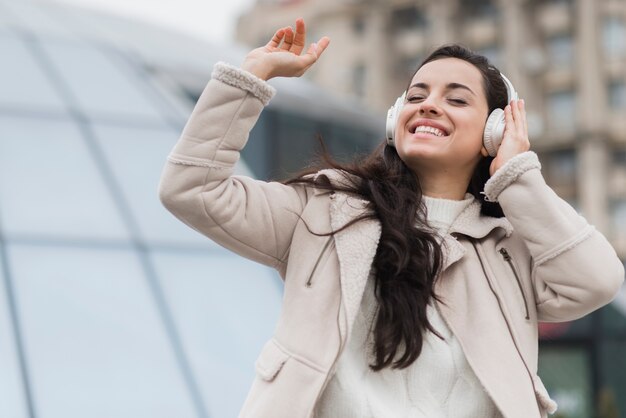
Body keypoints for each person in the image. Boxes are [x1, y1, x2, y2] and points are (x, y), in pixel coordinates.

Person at [158, 18, 624, 418]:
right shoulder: (323, 210)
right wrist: (250, 78)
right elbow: (192, 189)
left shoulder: (509, 250)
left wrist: (517, 176)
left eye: (457, 99)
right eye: (416, 94)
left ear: (495, 131)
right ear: (394, 119)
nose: (428, 104)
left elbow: (598, 280)